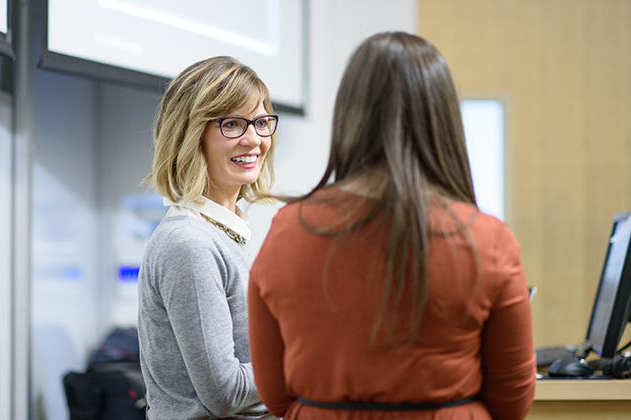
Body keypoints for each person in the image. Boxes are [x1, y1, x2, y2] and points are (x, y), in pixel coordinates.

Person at [248, 32, 536, 420]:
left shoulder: (287, 231)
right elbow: (511, 401)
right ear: (443, 119)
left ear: (349, 115)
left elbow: (276, 396)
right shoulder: (488, 240)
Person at [137, 56, 279, 420]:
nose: (254, 139)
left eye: (261, 122)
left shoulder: (231, 228)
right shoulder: (189, 244)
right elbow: (226, 392)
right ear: (191, 133)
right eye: (232, 124)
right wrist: (310, 355)